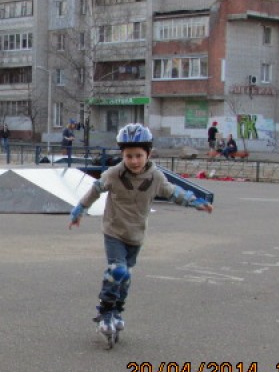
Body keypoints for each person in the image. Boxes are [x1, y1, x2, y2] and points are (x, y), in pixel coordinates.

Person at [68, 123, 213, 347]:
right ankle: (105, 311)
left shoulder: (155, 177)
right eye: (129, 156)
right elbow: (96, 189)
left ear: (148, 154)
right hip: (114, 231)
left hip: (136, 235)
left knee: (125, 278)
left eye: (138, 155)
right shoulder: (114, 174)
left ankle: (117, 310)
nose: (134, 161)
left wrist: (196, 202)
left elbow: (174, 193)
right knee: (118, 269)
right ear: (122, 155)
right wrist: (79, 210)